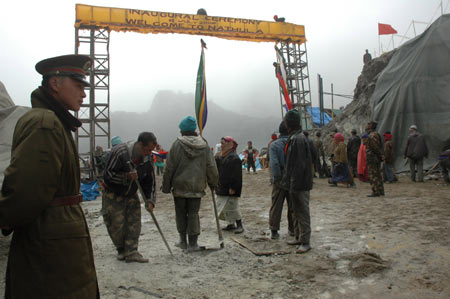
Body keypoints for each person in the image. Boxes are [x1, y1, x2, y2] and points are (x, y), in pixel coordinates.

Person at [0, 54, 99, 298]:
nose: (84, 94)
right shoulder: (44, 123)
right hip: (50, 235)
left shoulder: (54, 121)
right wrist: (6, 216)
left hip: (56, 231)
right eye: (78, 86)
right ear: (55, 84)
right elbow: (27, 191)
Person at [162, 116, 218, 251]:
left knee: (180, 213)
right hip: (196, 186)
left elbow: (169, 167)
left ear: (182, 130)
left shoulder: (176, 144)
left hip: (179, 186)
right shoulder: (203, 144)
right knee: (193, 213)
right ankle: (193, 243)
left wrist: (166, 186)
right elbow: (211, 166)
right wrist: (213, 182)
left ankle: (183, 240)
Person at [102, 132, 158, 263]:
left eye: (151, 150)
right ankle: (121, 249)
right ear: (139, 145)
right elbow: (108, 175)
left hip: (132, 193)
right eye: (147, 150)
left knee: (134, 222)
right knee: (116, 223)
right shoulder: (120, 152)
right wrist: (125, 177)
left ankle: (132, 251)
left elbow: (150, 182)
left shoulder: (148, 158)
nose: (149, 153)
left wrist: (150, 201)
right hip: (113, 193)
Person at [281, 109, 313, 254]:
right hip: (294, 182)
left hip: (299, 183)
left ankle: (305, 242)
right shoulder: (294, 137)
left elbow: (299, 165)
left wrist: (294, 183)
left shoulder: (298, 139)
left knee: (302, 211)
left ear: (289, 123)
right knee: (296, 210)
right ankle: (299, 237)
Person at [268, 121, 295, 240]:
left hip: (279, 179)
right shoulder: (294, 143)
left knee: (276, 205)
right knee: (292, 205)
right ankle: (293, 229)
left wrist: (276, 178)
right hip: (292, 178)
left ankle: (274, 230)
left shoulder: (274, 145)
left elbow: (274, 163)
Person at [215, 136, 244, 234]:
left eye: (223, 143)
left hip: (231, 187)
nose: (222, 145)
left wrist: (234, 187)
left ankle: (239, 225)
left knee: (233, 207)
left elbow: (236, 175)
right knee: (224, 207)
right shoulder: (221, 156)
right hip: (222, 185)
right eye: (221, 143)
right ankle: (230, 224)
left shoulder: (234, 158)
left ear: (230, 145)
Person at [366, 121, 384, 197]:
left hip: (372, 158)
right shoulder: (376, 134)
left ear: (371, 126)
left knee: (373, 175)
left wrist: (381, 155)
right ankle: (380, 190)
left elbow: (375, 147)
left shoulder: (372, 135)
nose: (366, 126)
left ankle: (375, 191)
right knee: (378, 174)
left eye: (368, 124)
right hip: (375, 157)